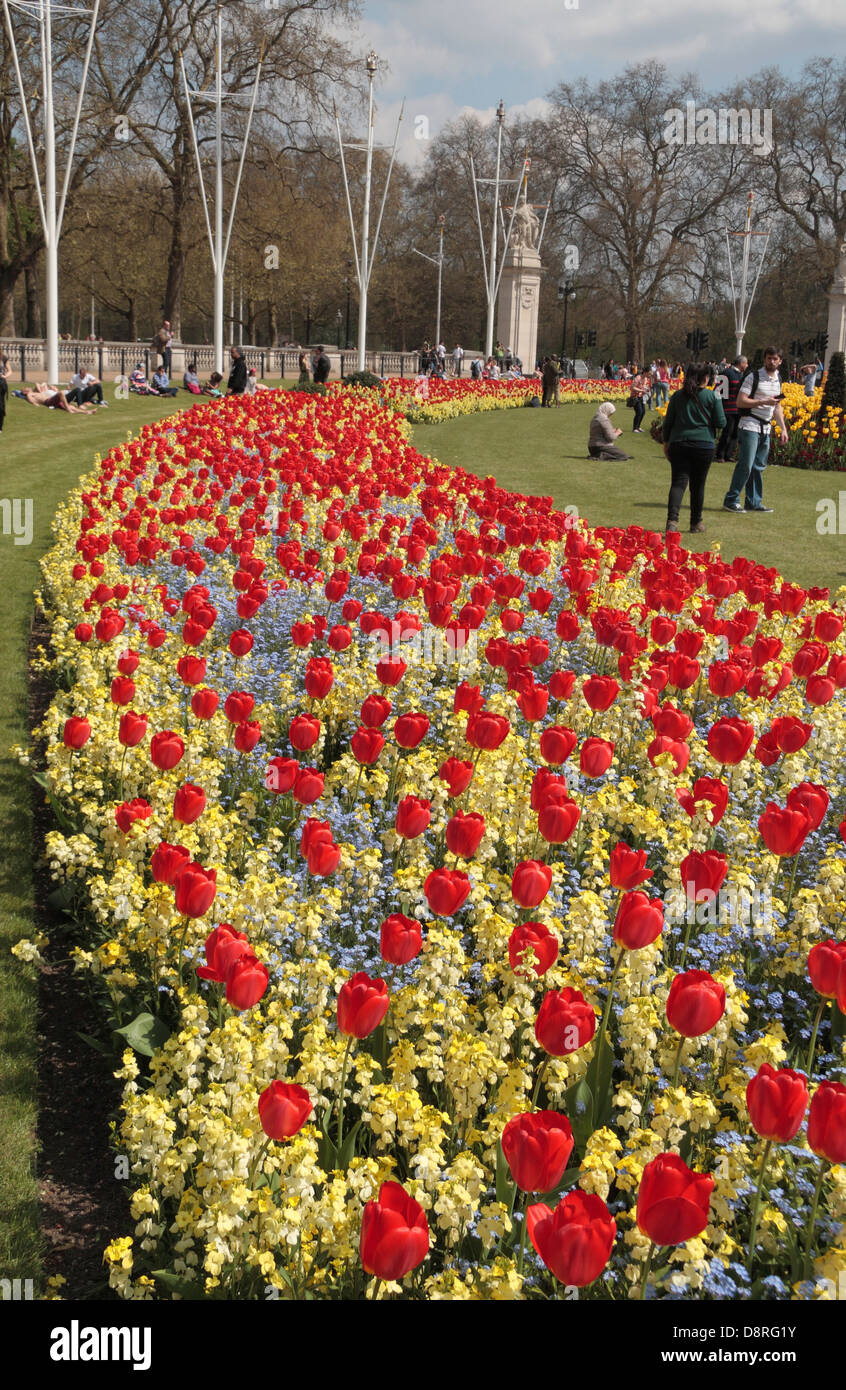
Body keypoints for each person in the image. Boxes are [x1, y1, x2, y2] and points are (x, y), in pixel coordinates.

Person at [662, 362, 726, 534]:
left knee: (678, 483)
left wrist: (666, 443)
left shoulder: (677, 396)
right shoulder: (712, 396)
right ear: (706, 378)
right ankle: (696, 523)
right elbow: (721, 422)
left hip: (679, 443)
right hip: (703, 445)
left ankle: (672, 521)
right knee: (698, 485)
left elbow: (667, 423)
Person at [723, 346, 787, 514]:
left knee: (758, 466)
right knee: (746, 464)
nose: (771, 361)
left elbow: (777, 406)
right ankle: (731, 499)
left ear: (780, 361)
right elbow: (740, 401)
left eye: (775, 359)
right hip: (750, 424)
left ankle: (753, 501)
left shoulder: (778, 379)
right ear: (764, 359)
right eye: (769, 358)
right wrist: (762, 402)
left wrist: (783, 429)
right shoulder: (754, 377)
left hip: (765, 427)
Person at [714, 355, 747, 462]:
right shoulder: (727, 373)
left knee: (735, 433)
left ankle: (729, 454)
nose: (747, 365)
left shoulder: (741, 375)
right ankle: (720, 454)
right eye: (746, 363)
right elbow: (718, 390)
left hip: (738, 409)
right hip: (728, 408)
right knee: (727, 432)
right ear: (741, 363)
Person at [21, 382, 97, 414]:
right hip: (48, 401)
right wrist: (34, 403)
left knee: (71, 406)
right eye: (25, 389)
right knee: (61, 393)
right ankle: (68, 409)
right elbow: (29, 398)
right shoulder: (30, 394)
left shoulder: (36, 392)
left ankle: (87, 412)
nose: (28, 388)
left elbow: (37, 383)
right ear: (25, 392)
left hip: (53, 400)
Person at [629, 364, 650, 432]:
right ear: (645, 372)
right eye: (649, 373)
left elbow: (643, 387)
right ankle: (635, 428)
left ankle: (638, 427)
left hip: (641, 397)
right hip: (635, 397)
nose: (650, 374)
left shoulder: (646, 379)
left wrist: (646, 390)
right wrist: (641, 390)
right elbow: (632, 387)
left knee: (643, 412)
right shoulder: (638, 378)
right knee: (639, 412)